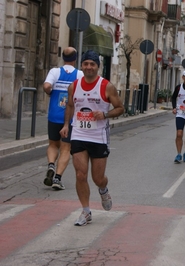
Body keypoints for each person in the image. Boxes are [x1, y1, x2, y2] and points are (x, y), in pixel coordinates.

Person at [60, 50, 124, 226]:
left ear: (98, 67)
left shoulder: (106, 86)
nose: (89, 67)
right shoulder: (74, 86)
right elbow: (71, 106)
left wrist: (105, 114)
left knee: (98, 178)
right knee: (80, 175)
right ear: (81, 65)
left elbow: (120, 108)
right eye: (86, 63)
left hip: (98, 136)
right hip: (79, 134)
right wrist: (66, 125)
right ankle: (86, 211)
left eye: (92, 64)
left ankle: (103, 189)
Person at [43, 47, 84, 190]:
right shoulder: (79, 74)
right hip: (70, 117)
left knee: (53, 144)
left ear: (62, 57)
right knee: (66, 148)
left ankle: (51, 165)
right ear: (75, 58)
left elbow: (46, 86)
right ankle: (57, 178)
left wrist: (51, 92)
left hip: (54, 115)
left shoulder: (55, 72)